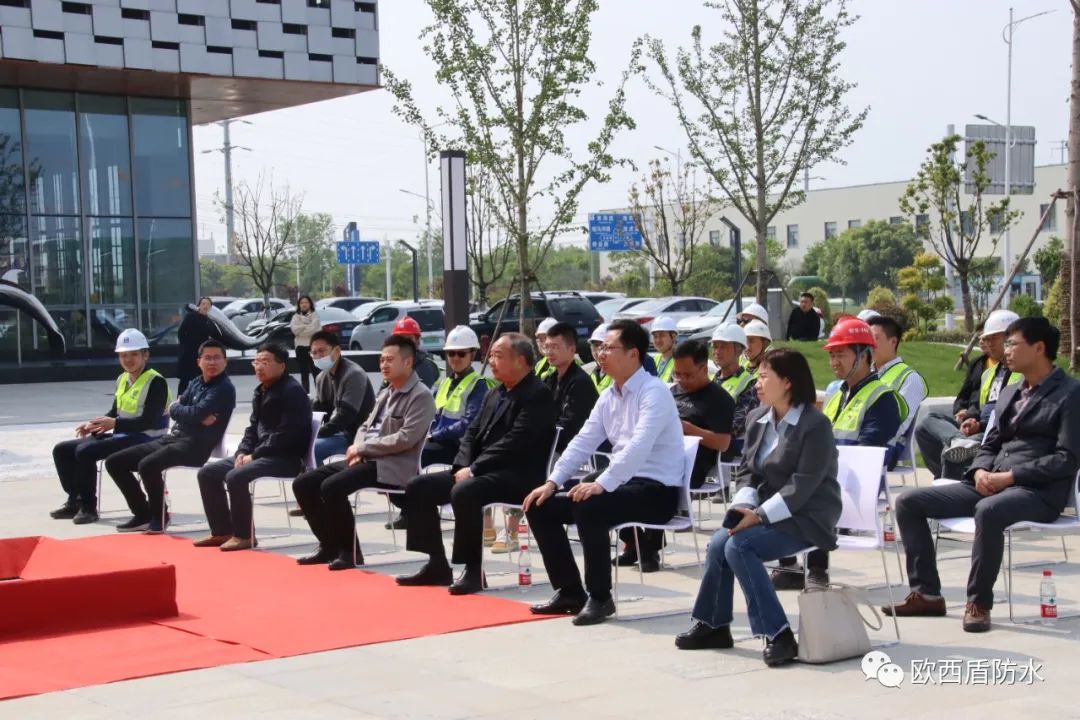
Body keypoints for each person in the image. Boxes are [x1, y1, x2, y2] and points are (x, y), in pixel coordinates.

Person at [883, 317, 1080, 633]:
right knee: (909, 502)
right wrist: (978, 472)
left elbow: (1066, 459)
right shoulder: (1011, 392)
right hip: (991, 483)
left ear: (1039, 348)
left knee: (988, 511)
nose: (1006, 350)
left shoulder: (1070, 393)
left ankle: (978, 603)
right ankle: (927, 594)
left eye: (1013, 343)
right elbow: (990, 443)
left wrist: (1011, 477)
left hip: (1037, 492)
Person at [675, 348, 840, 667]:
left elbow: (804, 483)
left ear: (788, 382)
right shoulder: (757, 418)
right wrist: (743, 508)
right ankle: (713, 625)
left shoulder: (815, 425)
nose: (757, 384)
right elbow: (748, 471)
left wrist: (759, 516)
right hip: (763, 512)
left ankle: (779, 635)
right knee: (719, 543)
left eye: (764, 377)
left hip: (807, 516)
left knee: (739, 546)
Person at [524, 319, 684, 626]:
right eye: (599, 348)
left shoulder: (655, 392)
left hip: (656, 491)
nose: (600, 354)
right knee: (539, 505)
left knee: (590, 505)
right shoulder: (609, 395)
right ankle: (570, 592)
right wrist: (552, 481)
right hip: (623, 484)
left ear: (633, 354)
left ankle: (600, 597)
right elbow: (583, 441)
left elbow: (639, 446)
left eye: (609, 348)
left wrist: (603, 482)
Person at [395, 333, 556, 594]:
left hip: (518, 474)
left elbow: (515, 442)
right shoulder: (495, 392)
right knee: (418, 486)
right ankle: (437, 564)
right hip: (482, 471)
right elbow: (471, 433)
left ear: (520, 360)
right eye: (490, 355)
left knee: (465, 491)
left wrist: (474, 469)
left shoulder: (537, 394)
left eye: (498, 356)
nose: (491, 361)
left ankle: (473, 571)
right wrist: (461, 466)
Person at [773, 317, 902, 590]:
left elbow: (866, 454)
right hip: (831, 475)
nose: (834, 362)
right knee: (777, 479)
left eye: (840, 355)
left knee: (810, 492)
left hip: (858, 483)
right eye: (831, 355)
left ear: (864, 355)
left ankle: (816, 570)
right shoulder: (838, 395)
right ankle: (789, 565)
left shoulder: (883, 398)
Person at [291, 335, 436, 569]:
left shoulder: (421, 396)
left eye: (390, 360)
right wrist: (357, 448)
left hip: (392, 464)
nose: (384, 365)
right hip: (367, 458)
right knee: (304, 483)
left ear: (408, 362)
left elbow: (406, 439)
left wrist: (364, 448)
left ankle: (350, 552)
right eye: (382, 360)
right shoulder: (387, 392)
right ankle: (328, 545)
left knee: (332, 486)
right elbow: (365, 426)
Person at [616, 339, 735, 572]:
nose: (681, 380)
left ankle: (649, 547)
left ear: (703, 368)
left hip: (692, 463)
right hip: (657, 455)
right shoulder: (670, 392)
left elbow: (723, 443)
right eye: (677, 374)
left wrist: (686, 428)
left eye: (687, 375)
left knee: (652, 485)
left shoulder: (719, 399)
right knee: (612, 479)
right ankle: (635, 541)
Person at [105, 339, 236, 532]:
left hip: (196, 446)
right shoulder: (196, 382)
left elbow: (193, 412)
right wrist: (181, 409)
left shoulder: (223, 388)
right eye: (207, 358)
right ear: (198, 361)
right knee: (115, 462)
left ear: (225, 361)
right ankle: (142, 514)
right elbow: (177, 410)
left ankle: (159, 516)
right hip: (174, 438)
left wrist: (183, 409)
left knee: (147, 465)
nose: (212, 362)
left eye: (217, 358)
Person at [195, 343, 313, 550]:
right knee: (208, 473)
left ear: (282, 366)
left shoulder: (293, 391)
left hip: (285, 458)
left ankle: (245, 535)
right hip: (261, 454)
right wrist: (242, 451)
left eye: (265, 362)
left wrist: (255, 454)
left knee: (235, 476)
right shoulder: (261, 390)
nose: (259, 367)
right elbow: (252, 428)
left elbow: (287, 434)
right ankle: (222, 531)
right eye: (256, 362)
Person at [50, 329, 170, 525]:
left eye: (133, 354)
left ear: (145, 355)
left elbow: (148, 421)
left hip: (147, 438)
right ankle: (74, 501)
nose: (128, 360)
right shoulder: (123, 379)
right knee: (62, 449)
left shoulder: (156, 381)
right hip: (125, 435)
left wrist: (114, 424)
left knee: (85, 451)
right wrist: (94, 424)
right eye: (123, 355)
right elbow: (115, 411)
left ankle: (88, 507)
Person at [915, 309, 1021, 480]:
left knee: (952, 454)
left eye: (994, 338)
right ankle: (955, 449)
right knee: (927, 423)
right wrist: (970, 418)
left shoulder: (1023, 373)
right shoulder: (989, 373)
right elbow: (980, 404)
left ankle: (950, 482)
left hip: (994, 433)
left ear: (1012, 337)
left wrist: (980, 425)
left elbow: (1010, 415)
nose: (989, 343)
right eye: (986, 339)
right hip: (977, 427)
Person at [310, 330, 375, 466]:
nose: (318, 356)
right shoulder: (321, 377)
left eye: (322, 351)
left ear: (337, 350)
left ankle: (316, 477)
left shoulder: (354, 374)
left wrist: (318, 433)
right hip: (339, 433)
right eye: (314, 353)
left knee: (311, 449)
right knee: (302, 444)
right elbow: (319, 412)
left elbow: (346, 416)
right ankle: (316, 476)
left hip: (357, 436)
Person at [867, 314, 928, 457]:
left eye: (875, 338)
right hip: (860, 441)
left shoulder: (910, 378)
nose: (869, 344)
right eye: (867, 339)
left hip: (884, 447)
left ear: (893, 341)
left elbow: (898, 426)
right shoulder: (865, 374)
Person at [711, 323, 758, 459]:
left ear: (738, 350)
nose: (717, 351)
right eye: (715, 346)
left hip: (729, 455)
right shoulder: (712, 379)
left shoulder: (749, 383)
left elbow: (737, 426)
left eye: (723, 346)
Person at [176, 297, 224, 395]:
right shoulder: (191, 317)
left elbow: (215, 335)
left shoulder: (210, 320)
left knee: (201, 378)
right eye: (203, 304)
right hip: (188, 353)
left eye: (208, 304)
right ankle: (180, 399)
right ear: (199, 306)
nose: (205, 306)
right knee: (185, 379)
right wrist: (185, 346)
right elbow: (181, 332)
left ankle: (199, 398)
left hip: (201, 354)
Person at [389, 315, 440, 388]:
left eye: (408, 339)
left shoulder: (424, 366)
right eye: (399, 339)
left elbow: (420, 393)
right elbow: (383, 391)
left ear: (417, 341)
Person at [289, 295, 322, 394]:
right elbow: (295, 330)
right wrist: (307, 326)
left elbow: (314, 330)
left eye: (306, 302)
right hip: (300, 348)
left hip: (313, 347)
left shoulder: (315, 316)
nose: (304, 304)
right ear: (299, 305)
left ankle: (320, 395)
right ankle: (306, 395)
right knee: (304, 373)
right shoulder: (295, 317)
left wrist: (301, 328)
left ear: (310, 304)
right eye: (302, 303)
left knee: (316, 372)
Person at [650, 316, 679, 383]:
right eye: (655, 336)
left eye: (662, 335)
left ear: (673, 337)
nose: (658, 340)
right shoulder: (654, 360)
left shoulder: (681, 361)